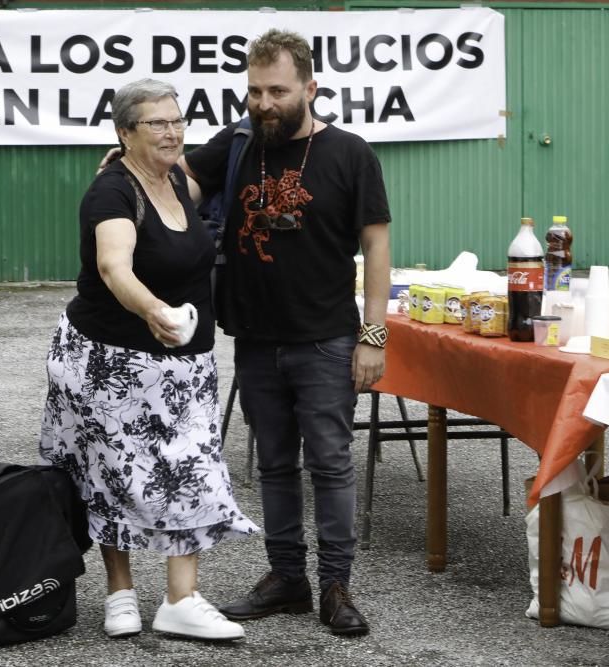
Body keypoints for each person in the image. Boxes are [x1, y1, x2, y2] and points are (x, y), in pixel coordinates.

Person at [180, 29, 391, 637]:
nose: (264, 103)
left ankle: (335, 585)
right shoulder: (241, 143)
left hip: (327, 339)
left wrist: (373, 337)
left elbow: (376, 246)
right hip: (254, 338)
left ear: (309, 88)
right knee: (272, 465)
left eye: (277, 90)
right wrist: (141, 167)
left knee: (329, 465)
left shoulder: (351, 154)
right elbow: (184, 187)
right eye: (254, 91)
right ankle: (287, 579)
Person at [39, 78, 258, 642]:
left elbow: (243, 138)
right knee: (112, 474)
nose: (172, 131)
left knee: (193, 472)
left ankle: (180, 600)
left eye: (177, 120)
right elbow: (114, 267)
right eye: (156, 123)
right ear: (124, 133)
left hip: (185, 368)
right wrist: (154, 310)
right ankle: (120, 594)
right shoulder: (111, 192)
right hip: (109, 363)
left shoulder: (179, 180)